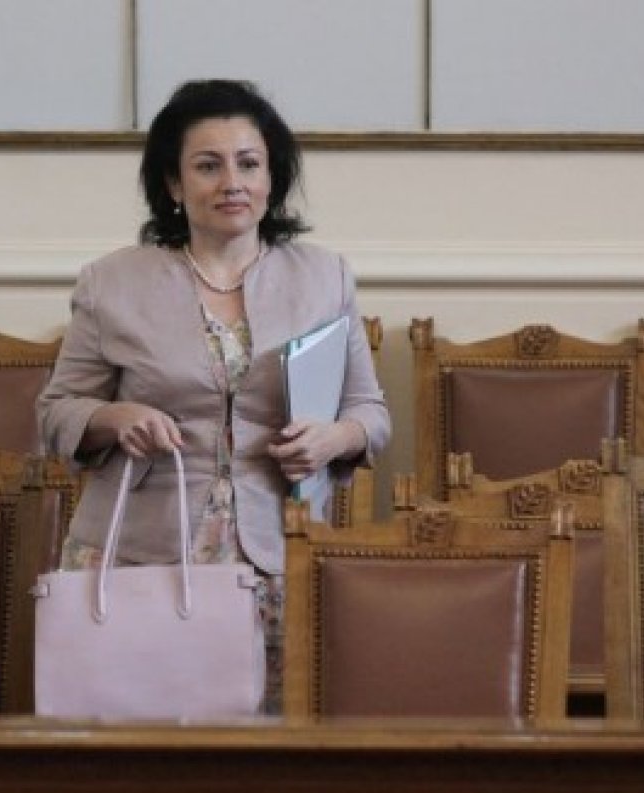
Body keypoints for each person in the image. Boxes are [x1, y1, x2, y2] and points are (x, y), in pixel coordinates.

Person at [36, 79, 391, 711]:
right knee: (140, 735)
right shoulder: (110, 282)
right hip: (141, 554)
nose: (232, 182)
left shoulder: (325, 277)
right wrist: (116, 417)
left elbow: (371, 412)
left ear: (272, 177)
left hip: (279, 550)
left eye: (248, 164)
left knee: (267, 741)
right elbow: (57, 412)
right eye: (208, 166)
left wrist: (334, 437)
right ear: (173, 184)